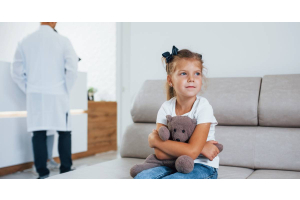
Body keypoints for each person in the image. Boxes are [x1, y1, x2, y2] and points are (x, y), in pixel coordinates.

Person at [135, 46, 220, 179]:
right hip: (170, 163)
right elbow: (160, 154)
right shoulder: (165, 108)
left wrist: (155, 140)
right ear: (170, 80)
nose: (191, 78)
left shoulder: (204, 107)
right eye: (184, 73)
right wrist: (200, 148)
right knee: (142, 178)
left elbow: (191, 153)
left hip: (202, 166)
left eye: (197, 73)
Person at [11, 22, 78, 179]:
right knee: (64, 132)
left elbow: (16, 71)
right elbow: (72, 69)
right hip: (58, 94)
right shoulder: (63, 40)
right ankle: (65, 171)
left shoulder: (24, 41)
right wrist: (65, 89)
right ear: (54, 21)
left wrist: (29, 89)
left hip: (35, 96)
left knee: (38, 133)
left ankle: (42, 174)